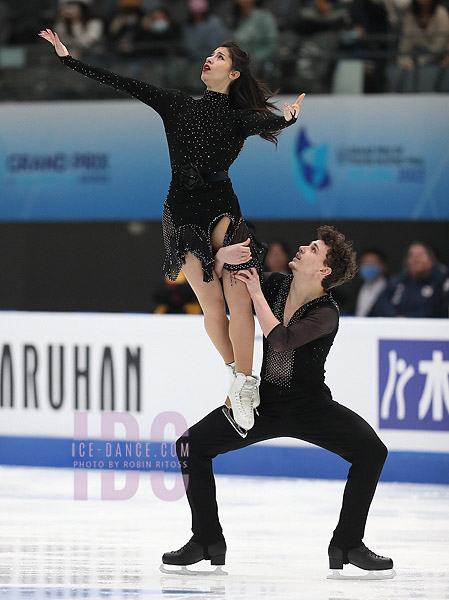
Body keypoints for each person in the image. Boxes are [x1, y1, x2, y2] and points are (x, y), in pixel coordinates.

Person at [38, 29, 305, 429]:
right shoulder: (176, 104)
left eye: (219, 57)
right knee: (212, 305)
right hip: (181, 215)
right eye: (210, 54)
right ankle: (236, 375)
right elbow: (123, 82)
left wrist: (285, 119)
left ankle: (247, 387)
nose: (210, 59)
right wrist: (67, 59)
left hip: (221, 206)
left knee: (239, 299)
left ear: (233, 75)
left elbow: (266, 122)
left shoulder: (237, 119)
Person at [162, 226, 395, 576]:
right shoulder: (275, 285)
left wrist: (256, 294)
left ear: (324, 270)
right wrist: (225, 254)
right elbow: (224, 278)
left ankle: (347, 543)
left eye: (313, 248)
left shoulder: (326, 312)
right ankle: (207, 539)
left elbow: (282, 340)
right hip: (261, 405)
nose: (303, 247)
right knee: (190, 446)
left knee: (372, 451)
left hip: (310, 407)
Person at [375, 241, 448, 317]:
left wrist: (409, 319)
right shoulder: (397, 282)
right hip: (398, 325)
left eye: (420, 255)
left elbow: (436, 309)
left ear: (431, 260)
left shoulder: (441, 281)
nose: (416, 258)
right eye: (412, 255)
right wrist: (395, 317)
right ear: (407, 262)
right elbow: (381, 303)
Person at [347, 248, 388, 316]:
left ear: (383, 266)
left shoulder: (390, 287)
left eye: (372, 263)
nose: (368, 266)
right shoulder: (357, 287)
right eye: (365, 263)